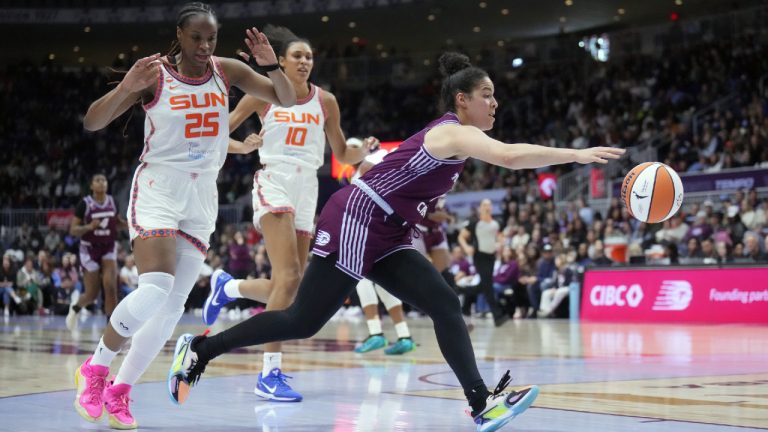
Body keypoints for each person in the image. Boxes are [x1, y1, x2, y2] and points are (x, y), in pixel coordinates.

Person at [170, 52, 624, 431]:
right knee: (302, 320)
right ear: (462, 101)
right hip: (358, 218)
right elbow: (507, 156)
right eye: (487, 95)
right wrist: (577, 154)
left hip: (389, 231)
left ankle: (481, 402)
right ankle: (200, 350)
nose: (495, 103)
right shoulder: (452, 131)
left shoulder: (459, 138)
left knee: (445, 303)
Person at [72, 2, 296, 429]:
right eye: (196, 37)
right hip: (159, 185)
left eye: (211, 37)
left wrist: (272, 67)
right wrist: (124, 90)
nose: (205, 45)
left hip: (201, 194)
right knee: (155, 289)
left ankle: (121, 390)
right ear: (179, 35)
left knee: (172, 309)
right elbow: (92, 121)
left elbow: (286, 97)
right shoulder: (153, 75)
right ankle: (96, 368)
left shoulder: (226, 70)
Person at [201, 25, 377, 402]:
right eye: (297, 55)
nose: (304, 61)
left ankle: (228, 288)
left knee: (291, 290)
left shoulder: (326, 101)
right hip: (275, 179)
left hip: (307, 187)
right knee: (290, 276)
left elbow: (343, 154)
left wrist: (363, 150)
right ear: (280, 61)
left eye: (309, 57)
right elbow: (218, 130)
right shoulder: (263, 93)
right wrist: (243, 147)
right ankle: (269, 373)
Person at [66, 174, 127, 330]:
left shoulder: (112, 202)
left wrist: (131, 225)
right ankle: (76, 308)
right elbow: (73, 230)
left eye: (104, 180)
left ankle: (110, 328)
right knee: (92, 294)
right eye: (98, 180)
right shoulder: (84, 204)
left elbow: (117, 223)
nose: (102, 182)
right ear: (92, 186)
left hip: (108, 247)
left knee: (110, 286)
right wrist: (88, 227)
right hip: (89, 249)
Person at [459, 199, 506, 325]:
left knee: (484, 285)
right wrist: (467, 247)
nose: (487, 207)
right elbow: (461, 236)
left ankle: (460, 293)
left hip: (491, 257)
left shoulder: (496, 223)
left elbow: (500, 236)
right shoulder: (474, 222)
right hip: (479, 256)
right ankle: (497, 316)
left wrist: (500, 243)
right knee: (488, 285)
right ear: (480, 208)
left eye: (489, 205)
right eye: (484, 205)